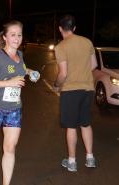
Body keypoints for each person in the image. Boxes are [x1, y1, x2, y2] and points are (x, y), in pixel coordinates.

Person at [0, 20, 40, 185]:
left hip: (14, 108)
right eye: (13, 35)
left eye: (19, 34)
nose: (17, 38)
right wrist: (9, 82)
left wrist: (31, 72)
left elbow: (22, 69)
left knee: (10, 148)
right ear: (5, 37)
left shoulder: (20, 55)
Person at [53, 14, 97, 172]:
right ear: (75, 28)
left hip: (71, 91)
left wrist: (57, 85)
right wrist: (82, 73)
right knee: (85, 123)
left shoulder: (61, 47)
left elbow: (63, 74)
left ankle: (72, 161)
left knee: (71, 127)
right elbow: (94, 65)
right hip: (88, 89)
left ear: (60, 29)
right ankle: (90, 158)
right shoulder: (87, 42)